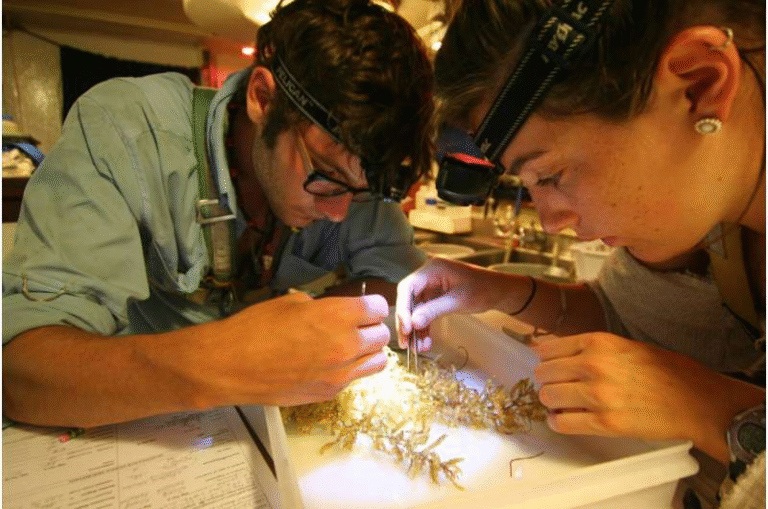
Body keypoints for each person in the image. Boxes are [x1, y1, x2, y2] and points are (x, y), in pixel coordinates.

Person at [396, 0, 764, 506]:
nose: (552, 222)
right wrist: (494, 289)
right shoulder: (707, 223)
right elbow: (623, 316)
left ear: (698, 83)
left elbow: (683, 389)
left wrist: (714, 408)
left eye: (550, 176)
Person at [3, 0, 434, 428]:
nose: (340, 212)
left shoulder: (358, 168)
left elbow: (401, 283)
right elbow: (21, 373)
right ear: (263, 100)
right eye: (326, 177)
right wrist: (230, 362)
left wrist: (320, 329)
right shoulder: (125, 130)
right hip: (140, 423)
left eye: (363, 194)